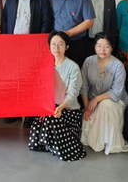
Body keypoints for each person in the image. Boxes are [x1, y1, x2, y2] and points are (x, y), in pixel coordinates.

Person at [29, 31, 86, 162]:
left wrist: (60, 107)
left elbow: (73, 93)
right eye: (53, 44)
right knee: (35, 140)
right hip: (51, 107)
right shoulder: (45, 64)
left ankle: (60, 145)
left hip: (68, 109)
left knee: (51, 118)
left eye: (60, 44)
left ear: (67, 47)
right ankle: (52, 144)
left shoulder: (73, 67)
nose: (56, 48)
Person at [80, 33, 128, 155]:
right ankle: (98, 141)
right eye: (99, 46)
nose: (102, 50)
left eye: (106, 46)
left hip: (115, 101)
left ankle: (108, 142)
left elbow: (116, 92)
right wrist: (87, 107)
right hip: (92, 102)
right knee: (91, 114)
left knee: (105, 105)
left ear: (112, 48)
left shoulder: (118, 65)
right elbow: (83, 87)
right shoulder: (88, 61)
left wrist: (97, 99)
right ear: (94, 46)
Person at [49, 0, 95, 67]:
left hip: (77, 42)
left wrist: (68, 33)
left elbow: (89, 21)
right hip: (57, 44)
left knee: (77, 68)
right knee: (58, 70)